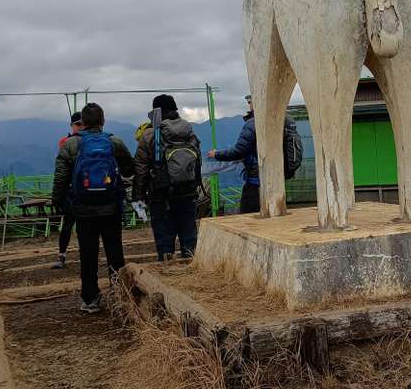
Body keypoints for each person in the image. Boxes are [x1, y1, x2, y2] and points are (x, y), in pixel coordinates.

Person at [51, 103, 134, 313]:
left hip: (83, 208)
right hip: (111, 207)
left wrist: (58, 202)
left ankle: (90, 299)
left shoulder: (70, 144)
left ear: (83, 122)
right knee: (115, 252)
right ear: (103, 121)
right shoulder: (114, 142)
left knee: (88, 254)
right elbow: (129, 169)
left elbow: (60, 178)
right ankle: (120, 295)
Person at [133, 94, 202, 261]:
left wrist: (139, 197)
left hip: (160, 198)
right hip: (188, 195)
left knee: (165, 244)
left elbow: (141, 170)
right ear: (175, 110)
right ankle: (191, 270)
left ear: (156, 112)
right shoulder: (189, 132)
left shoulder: (149, 135)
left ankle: (167, 269)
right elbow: (197, 163)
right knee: (190, 242)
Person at [207, 95, 260, 214]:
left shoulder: (253, 123)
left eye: (250, 101)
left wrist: (216, 154)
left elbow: (238, 151)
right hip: (276, 180)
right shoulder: (282, 119)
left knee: (248, 217)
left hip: (255, 182)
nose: (249, 104)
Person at [51, 112, 83, 269]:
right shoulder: (91, 141)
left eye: (82, 123)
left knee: (71, 225)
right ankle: (63, 255)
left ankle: (63, 256)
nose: (80, 126)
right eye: (78, 124)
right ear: (72, 125)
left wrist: (56, 198)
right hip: (78, 191)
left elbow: (61, 174)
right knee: (70, 225)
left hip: (72, 191)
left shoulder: (65, 142)